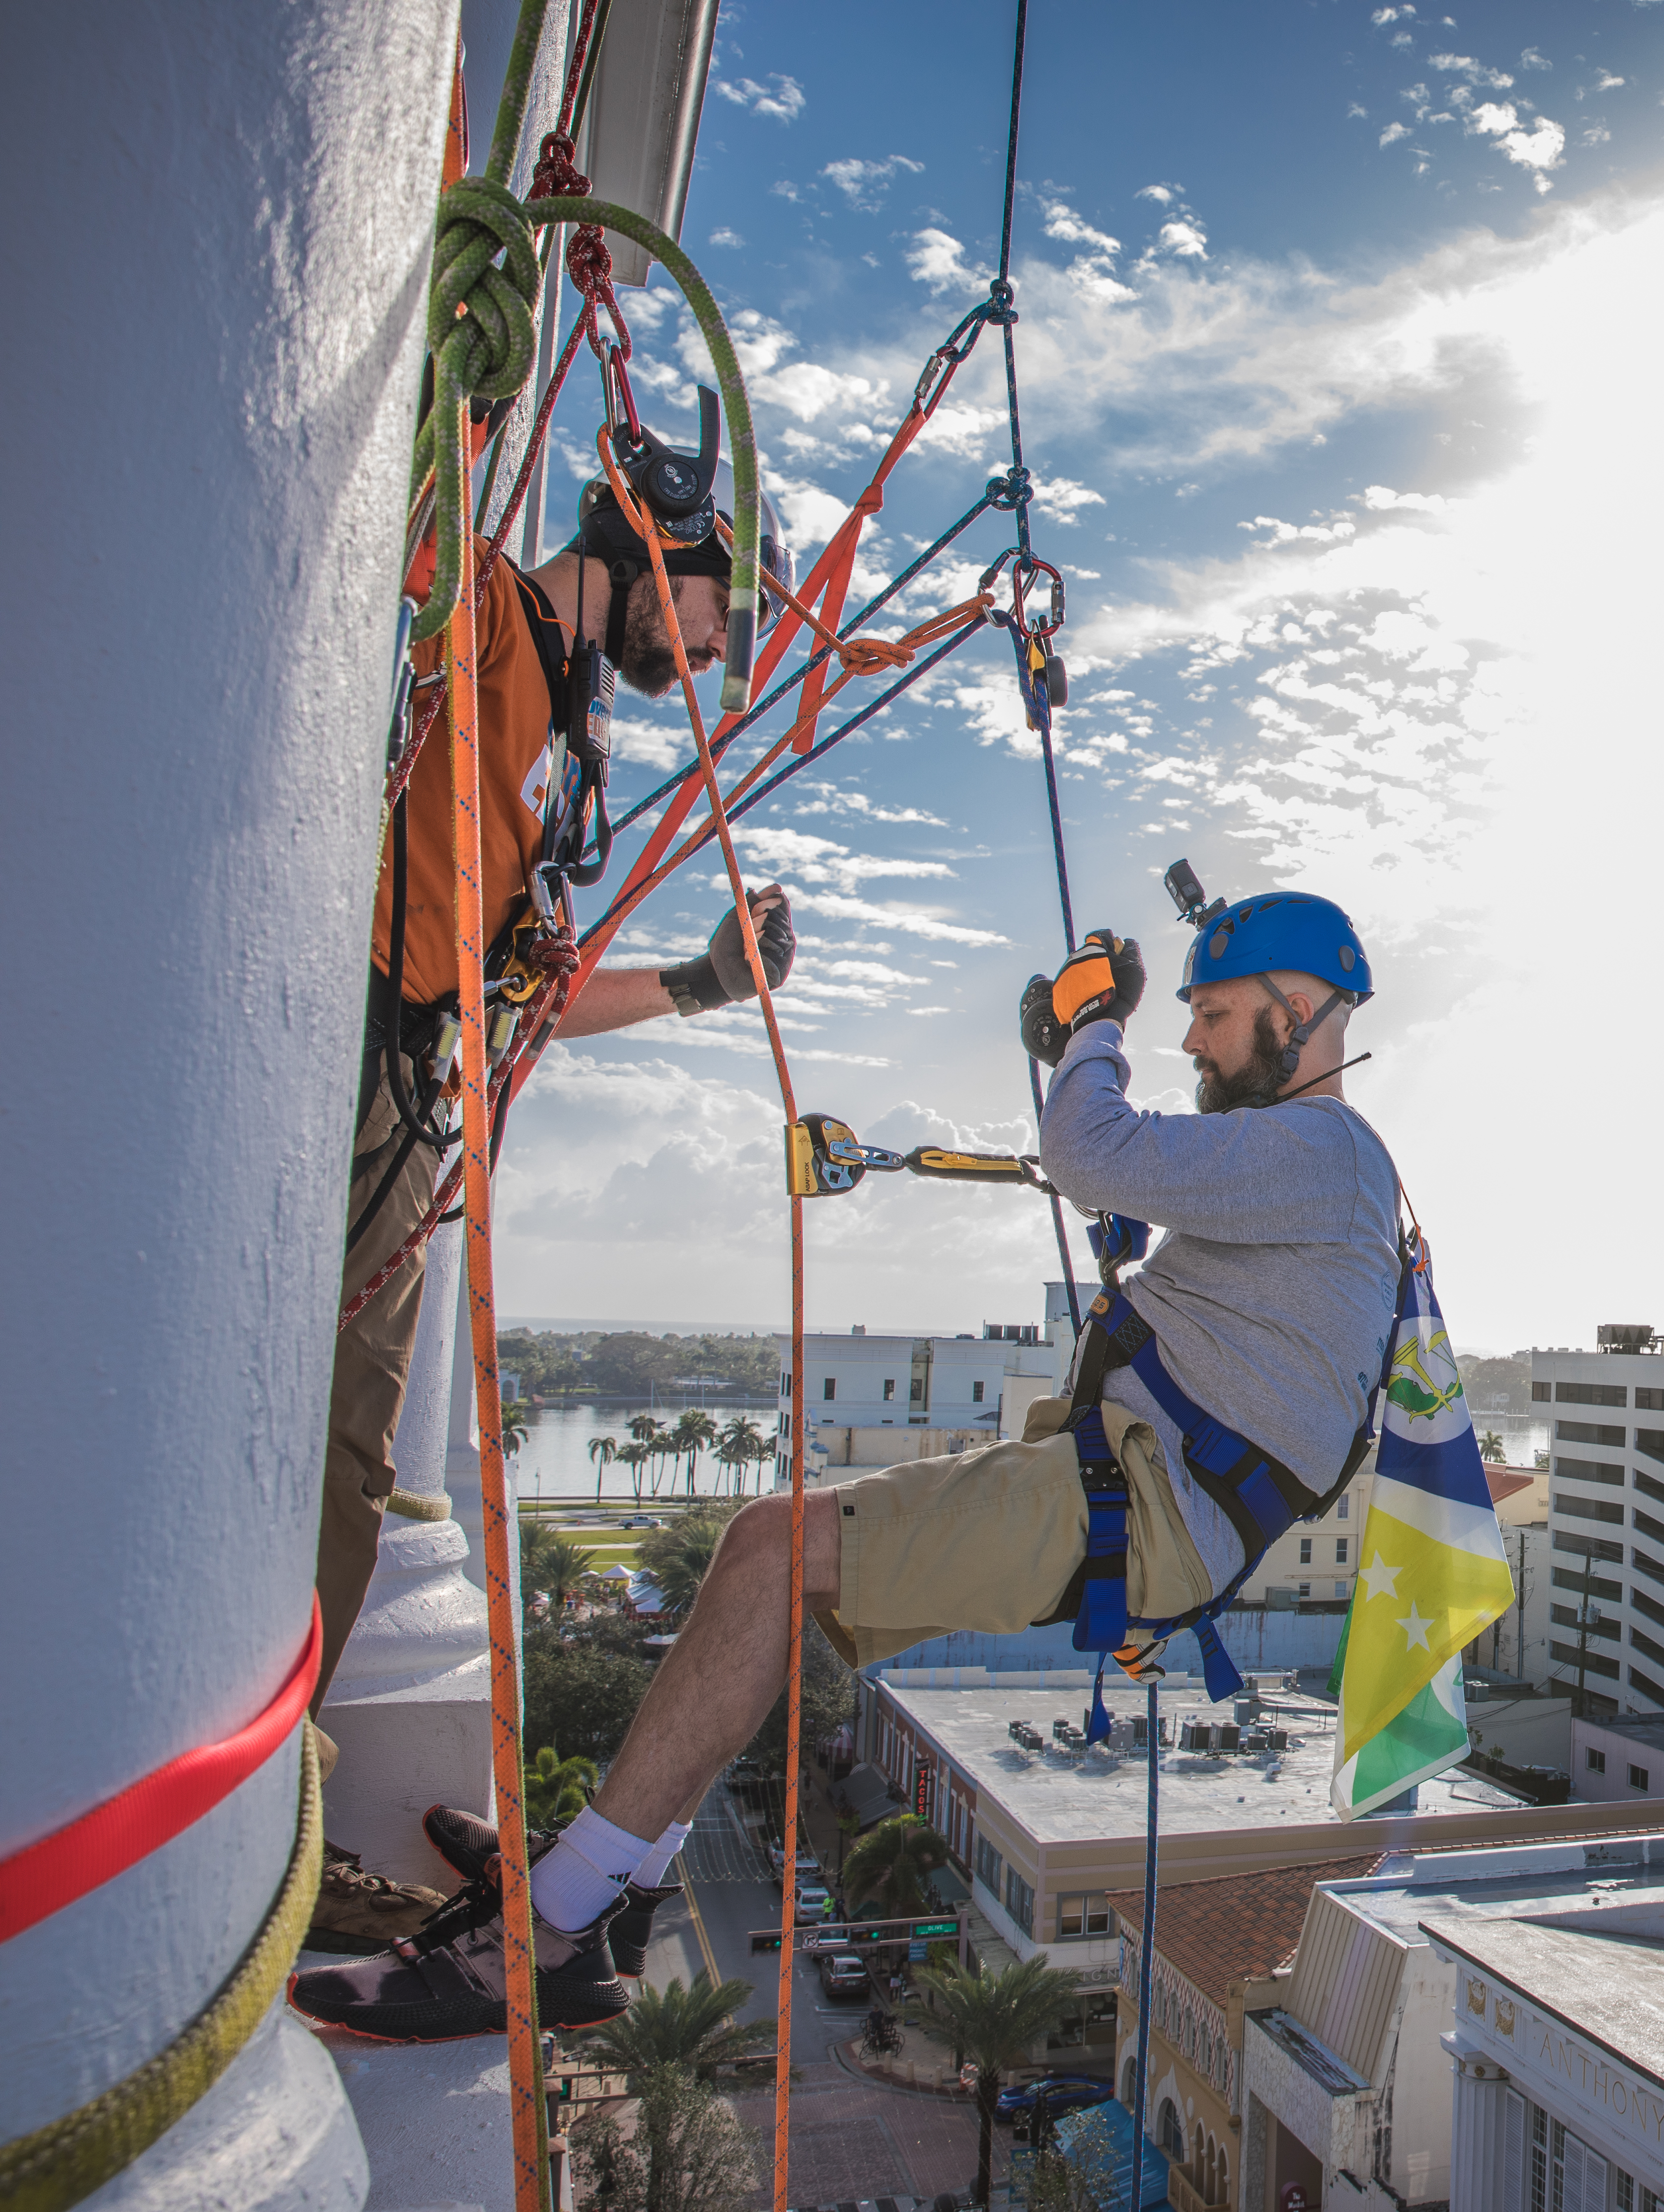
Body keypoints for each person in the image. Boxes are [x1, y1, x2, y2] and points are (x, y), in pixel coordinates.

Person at [291, 892, 1399, 2038]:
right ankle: (609, 1878)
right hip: (1132, 1485)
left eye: (1212, 1014)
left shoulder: (1324, 1148)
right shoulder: (1317, 1168)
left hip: (1139, 1496)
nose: (1190, 1040)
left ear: (1300, 1010)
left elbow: (1090, 1149)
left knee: (771, 1546)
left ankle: (553, 1931)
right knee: (770, 1560)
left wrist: (1095, 1023)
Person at [304, 461, 800, 1956]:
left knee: (349, 1455)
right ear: (660, 545)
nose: (710, 660)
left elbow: (527, 988)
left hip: (412, 1090)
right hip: (350, 1045)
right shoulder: (482, 619)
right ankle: (250, 1820)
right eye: (721, 618)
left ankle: (274, 1808)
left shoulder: (567, 729)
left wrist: (710, 985)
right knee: (311, 1447)